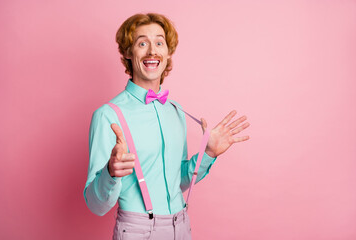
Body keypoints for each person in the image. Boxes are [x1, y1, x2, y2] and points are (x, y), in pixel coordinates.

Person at [83, 13, 250, 240]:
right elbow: (96, 205)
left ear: (167, 52)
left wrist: (208, 153)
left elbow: (178, 181)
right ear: (128, 53)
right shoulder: (107, 115)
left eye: (159, 43)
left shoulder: (175, 111)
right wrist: (110, 173)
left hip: (181, 227)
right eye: (142, 43)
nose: (152, 50)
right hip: (137, 231)